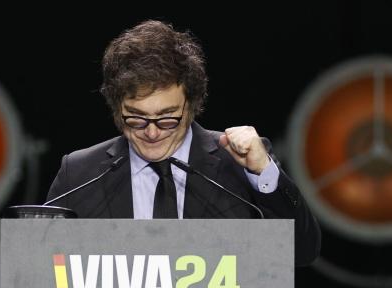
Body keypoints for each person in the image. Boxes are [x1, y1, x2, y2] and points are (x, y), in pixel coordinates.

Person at [46, 20, 321, 266]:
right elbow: (43, 271)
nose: (152, 133)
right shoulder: (79, 173)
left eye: (167, 119)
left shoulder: (238, 164)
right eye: (136, 118)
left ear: (191, 107)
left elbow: (302, 252)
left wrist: (264, 173)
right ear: (118, 110)